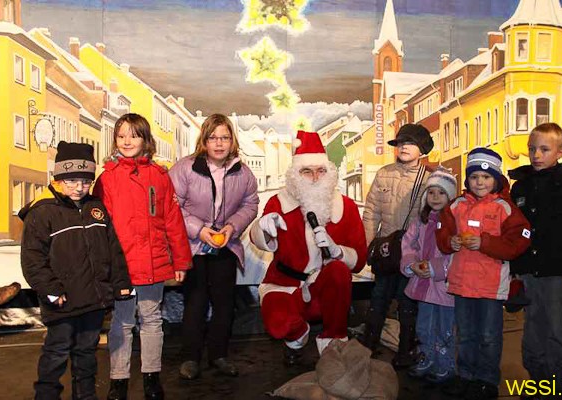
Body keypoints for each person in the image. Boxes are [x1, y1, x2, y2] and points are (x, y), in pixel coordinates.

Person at [19, 141, 133, 400]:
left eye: (85, 181)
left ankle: (85, 396)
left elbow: (112, 249)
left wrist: (120, 283)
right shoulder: (42, 212)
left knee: (87, 354)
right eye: (71, 181)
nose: (79, 188)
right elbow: (33, 260)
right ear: (57, 178)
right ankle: (46, 395)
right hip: (62, 302)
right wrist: (51, 290)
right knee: (56, 353)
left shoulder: (96, 209)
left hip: (93, 301)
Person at [94, 113, 192, 400]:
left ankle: (152, 377)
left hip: (153, 260)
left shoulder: (160, 177)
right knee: (122, 322)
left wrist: (181, 261)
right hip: (122, 264)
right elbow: (101, 227)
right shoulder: (108, 178)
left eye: (133, 135)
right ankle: (118, 380)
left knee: (151, 319)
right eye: (121, 135)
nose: (127, 141)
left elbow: (173, 220)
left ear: (145, 140)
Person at [250, 130, 367, 365]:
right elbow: (260, 239)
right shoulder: (279, 202)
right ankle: (297, 336)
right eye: (307, 171)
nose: (315, 177)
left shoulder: (345, 206)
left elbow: (360, 260)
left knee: (338, 271)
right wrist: (261, 228)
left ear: (329, 173)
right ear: (295, 174)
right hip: (284, 285)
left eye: (320, 171)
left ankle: (334, 344)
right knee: (279, 325)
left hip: (324, 290)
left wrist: (337, 251)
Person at [509, 123, 562, 400]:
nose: (536, 154)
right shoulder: (520, 187)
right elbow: (514, 230)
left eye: (544, 149)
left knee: (560, 330)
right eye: (532, 149)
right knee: (533, 330)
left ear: (560, 151)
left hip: (558, 272)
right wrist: (514, 269)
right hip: (528, 273)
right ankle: (540, 382)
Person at [436, 147, 531, 400]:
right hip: (462, 283)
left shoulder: (504, 207)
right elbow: (441, 233)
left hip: (491, 286)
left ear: (497, 180)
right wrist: (450, 242)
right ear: (467, 179)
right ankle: (466, 376)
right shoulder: (456, 205)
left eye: (486, 177)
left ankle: (487, 379)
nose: (480, 182)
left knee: (489, 336)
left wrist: (486, 243)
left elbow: (519, 241)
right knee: (465, 334)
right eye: (475, 177)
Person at [169, 114, 259, 379]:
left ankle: (219, 355)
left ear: (232, 141)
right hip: (194, 247)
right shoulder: (185, 168)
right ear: (204, 140)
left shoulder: (243, 171)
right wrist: (200, 230)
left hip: (226, 246)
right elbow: (172, 206)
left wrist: (232, 227)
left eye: (225, 137)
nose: (219, 143)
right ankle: (190, 358)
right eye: (213, 137)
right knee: (195, 302)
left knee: (224, 303)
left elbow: (250, 204)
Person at [361, 123, 432, 368]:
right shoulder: (384, 173)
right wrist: (370, 244)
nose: (403, 147)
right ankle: (367, 347)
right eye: (400, 142)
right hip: (386, 251)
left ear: (422, 149)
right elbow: (371, 211)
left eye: (410, 143)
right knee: (378, 298)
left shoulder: (431, 178)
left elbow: (434, 219)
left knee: (408, 303)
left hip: (413, 253)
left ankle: (405, 351)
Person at [400, 168, 457, 384]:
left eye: (441, 193)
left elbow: (455, 255)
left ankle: (446, 363)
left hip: (444, 287)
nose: (435, 197)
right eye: (431, 192)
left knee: (445, 327)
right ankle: (427, 357)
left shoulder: (454, 223)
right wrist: (412, 264)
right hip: (423, 285)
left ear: (450, 197)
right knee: (424, 325)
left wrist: (434, 268)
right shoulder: (420, 222)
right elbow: (408, 244)